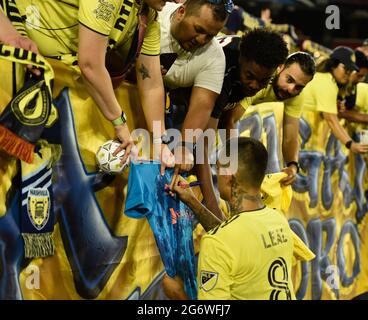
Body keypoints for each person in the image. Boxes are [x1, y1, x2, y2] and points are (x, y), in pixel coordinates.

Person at [13, 0, 179, 169]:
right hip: (15, 68)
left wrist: (162, 142)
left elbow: (151, 83)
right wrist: (120, 124)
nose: (178, 1)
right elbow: (90, 64)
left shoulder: (148, 16)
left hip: (50, 86)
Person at [164, 137, 296, 300]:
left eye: (218, 170)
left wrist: (178, 294)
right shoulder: (279, 221)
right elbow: (235, 241)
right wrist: (193, 202)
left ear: (229, 176)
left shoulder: (217, 243)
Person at [177, 29, 288, 218]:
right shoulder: (223, 69)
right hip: (176, 99)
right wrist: (213, 206)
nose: (254, 85)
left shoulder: (251, 66)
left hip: (199, 105)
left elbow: (227, 122)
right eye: (250, 76)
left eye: (264, 81)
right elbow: (203, 144)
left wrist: (238, 175)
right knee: (187, 158)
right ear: (241, 59)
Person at [158, 0, 231, 218]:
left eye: (210, 35)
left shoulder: (215, 56)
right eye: (199, 30)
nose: (201, 40)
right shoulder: (156, 19)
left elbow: (202, 105)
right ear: (181, 12)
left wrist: (185, 147)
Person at [221, 52, 316, 186]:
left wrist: (293, 166)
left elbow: (291, 137)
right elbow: (228, 121)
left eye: (299, 87)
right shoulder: (262, 79)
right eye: (289, 80)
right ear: (280, 67)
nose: (291, 89)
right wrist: (234, 164)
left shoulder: (296, 96)